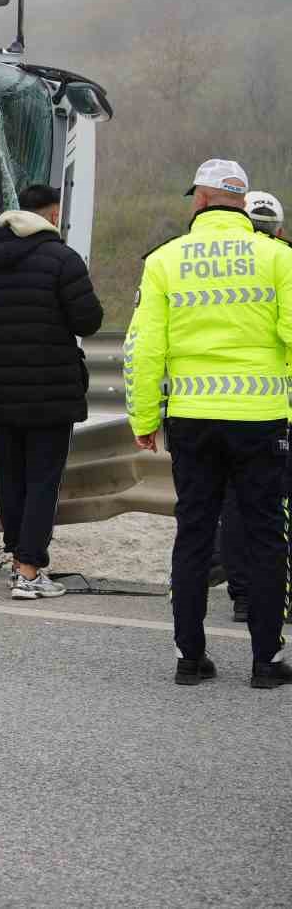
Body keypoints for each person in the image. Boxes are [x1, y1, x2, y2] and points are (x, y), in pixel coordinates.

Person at [127, 159, 292, 689]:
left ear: (199, 200)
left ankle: (190, 658)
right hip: (261, 419)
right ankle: (267, 661)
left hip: (193, 421)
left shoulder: (164, 261)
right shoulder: (278, 258)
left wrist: (144, 416)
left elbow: (143, 348)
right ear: (242, 202)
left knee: (194, 533)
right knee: (266, 534)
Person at [0, 182, 104, 599]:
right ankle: (29, 571)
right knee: (44, 479)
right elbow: (88, 322)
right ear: (53, 214)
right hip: (51, 390)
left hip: (2, 389)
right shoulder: (62, 258)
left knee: (13, 477)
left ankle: (16, 560)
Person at [214, 189, 288, 622]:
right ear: (278, 231)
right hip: (270, 410)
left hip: (208, 407)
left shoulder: (204, 265)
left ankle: (243, 594)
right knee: (269, 515)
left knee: (233, 508)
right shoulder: (283, 265)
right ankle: (270, 602)